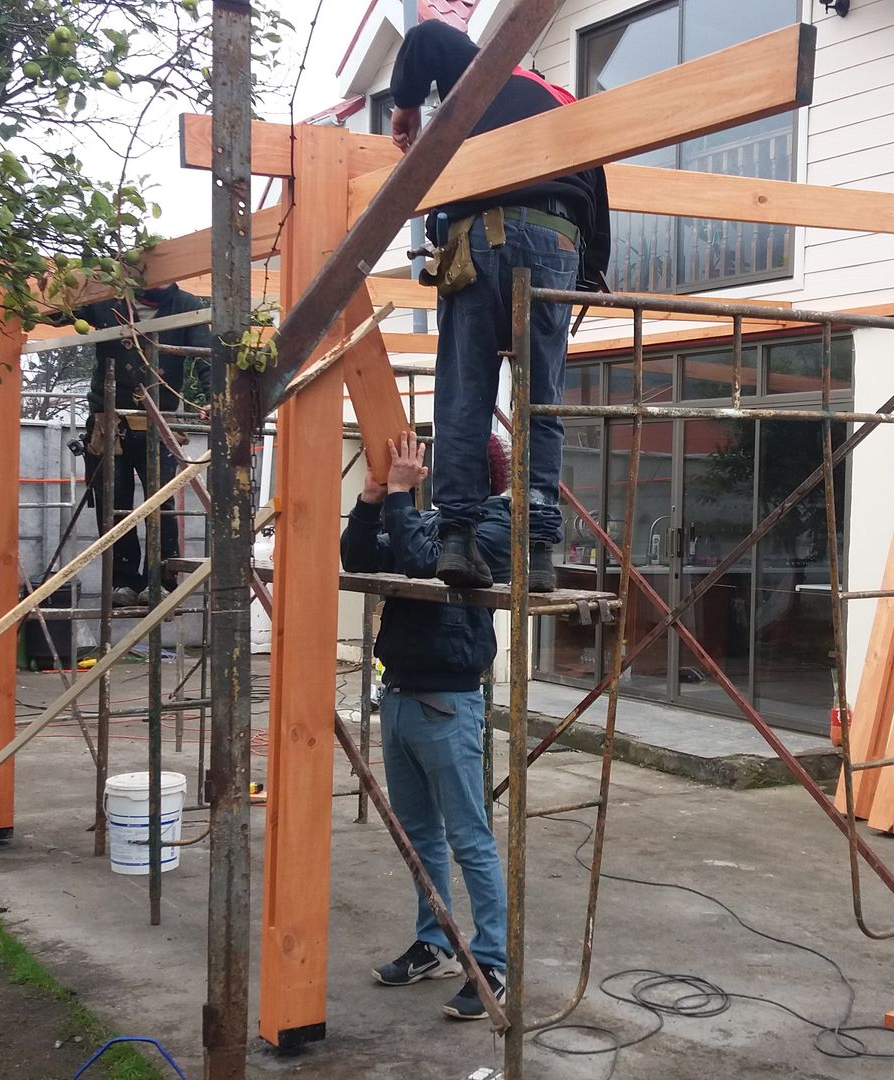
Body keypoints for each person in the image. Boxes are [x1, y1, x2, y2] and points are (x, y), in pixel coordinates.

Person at [389, 19, 610, 593]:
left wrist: (407, 108)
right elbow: (600, 222)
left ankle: (457, 537)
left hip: (484, 232)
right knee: (541, 400)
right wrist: (581, 282)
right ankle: (536, 549)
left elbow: (427, 37)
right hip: (558, 243)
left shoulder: (486, 74)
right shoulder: (570, 110)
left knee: (466, 391)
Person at [341, 430, 512, 1021]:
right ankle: (435, 940)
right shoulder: (436, 520)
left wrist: (398, 498)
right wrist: (370, 501)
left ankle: (493, 961)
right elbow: (361, 558)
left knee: (469, 837)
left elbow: (422, 564)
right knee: (419, 837)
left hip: (449, 699)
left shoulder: (498, 527)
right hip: (401, 695)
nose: (437, 477)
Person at [76, 283, 212, 605]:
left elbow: (207, 358)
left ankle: (161, 578)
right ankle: (123, 580)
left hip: (158, 420)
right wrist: (78, 281)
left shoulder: (186, 304)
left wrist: (215, 398)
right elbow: (58, 310)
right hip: (110, 422)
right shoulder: (107, 299)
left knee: (161, 503)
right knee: (113, 503)